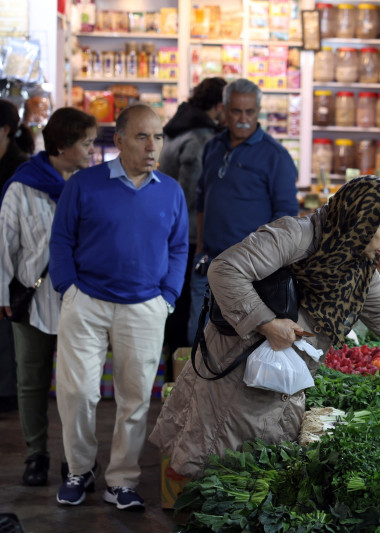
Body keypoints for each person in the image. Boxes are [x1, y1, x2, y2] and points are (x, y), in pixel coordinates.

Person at [150, 176, 380, 478]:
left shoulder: (358, 267)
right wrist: (266, 322)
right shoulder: (296, 236)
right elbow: (224, 269)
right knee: (221, 468)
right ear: (360, 222)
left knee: (259, 469)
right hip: (237, 372)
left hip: (279, 378)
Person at [49, 104, 188, 509]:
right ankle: (79, 470)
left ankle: (122, 481)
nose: (152, 146)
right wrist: (67, 289)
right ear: (119, 141)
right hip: (86, 302)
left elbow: (179, 247)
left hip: (145, 306)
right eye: (143, 136)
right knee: (77, 393)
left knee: (135, 398)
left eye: (158, 137)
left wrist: (168, 297)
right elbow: (61, 239)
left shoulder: (170, 190)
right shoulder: (85, 184)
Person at [0, 108, 98, 487]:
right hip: (33, 300)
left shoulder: (90, 185)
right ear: (62, 145)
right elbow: (5, 244)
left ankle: (75, 459)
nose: (92, 151)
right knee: (32, 380)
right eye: (86, 143)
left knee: (79, 385)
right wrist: (3, 292)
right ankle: (36, 454)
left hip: (81, 301)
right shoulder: (22, 185)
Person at [188, 78, 299, 344]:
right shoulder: (213, 147)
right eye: (236, 111)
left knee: (238, 346)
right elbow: (202, 201)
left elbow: (286, 220)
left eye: (250, 112)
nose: (243, 118)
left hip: (249, 273)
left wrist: (267, 267)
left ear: (258, 111)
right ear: (224, 111)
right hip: (208, 265)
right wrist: (201, 249)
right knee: (197, 341)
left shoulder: (276, 156)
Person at [159, 76, 226, 349]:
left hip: (168, 227)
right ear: (220, 106)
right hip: (187, 234)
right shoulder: (200, 138)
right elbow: (194, 195)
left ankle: (169, 364)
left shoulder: (177, 127)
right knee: (184, 303)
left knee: (173, 299)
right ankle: (179, 367)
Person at [0, 99, 36, 413]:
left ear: (5, 130)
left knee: (8, 328)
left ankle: (8, 393)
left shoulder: (19, 168)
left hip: (13, 260)